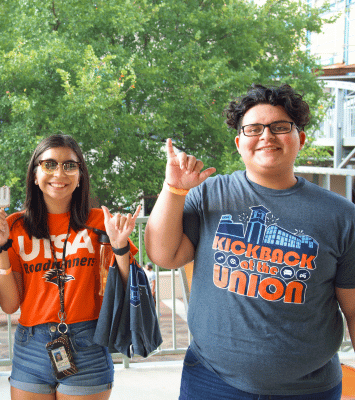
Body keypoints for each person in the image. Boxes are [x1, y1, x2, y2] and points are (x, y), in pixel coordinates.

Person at [144, 83, 355, 399]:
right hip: (211, 382)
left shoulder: (341, 215)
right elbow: (164, 255)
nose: (266, 136)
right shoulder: (209, 195)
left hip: (309, 389)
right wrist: (173, 189)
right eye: (254, 129)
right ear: (239, 142)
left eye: (279, 127)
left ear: (301, 138)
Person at [0, 134, 141, 400]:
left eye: (69, 165)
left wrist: (120, 248)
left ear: (80, 176)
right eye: (49, 164)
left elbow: (126, 288)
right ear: (35, 175)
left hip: (88, 342)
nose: (59, 172)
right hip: (31, 346)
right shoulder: (14, 226)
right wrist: (1, 248)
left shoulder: (100, 222)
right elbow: (11, 305)